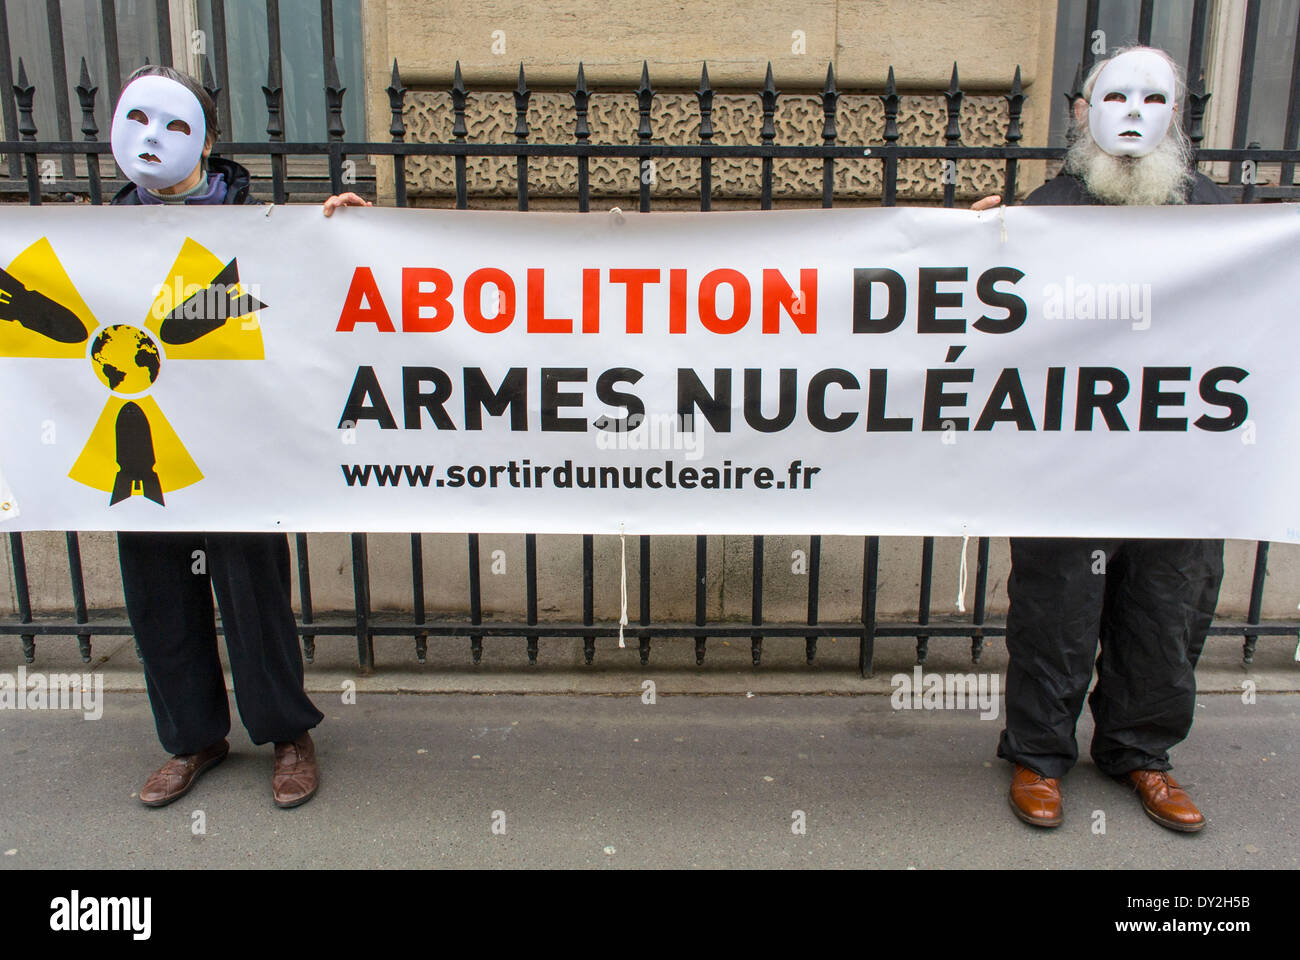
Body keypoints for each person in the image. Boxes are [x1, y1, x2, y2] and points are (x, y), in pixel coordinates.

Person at [982, 47, 1226, 832]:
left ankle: (1141, 753)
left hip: (1181, 459)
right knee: (1055, 608)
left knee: (1167, 607)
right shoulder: (1045, 209)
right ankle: (1038, 755)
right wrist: (974, 242)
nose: (1131, 112)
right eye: (1113, 95)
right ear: (1083, 111)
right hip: (1072, 457)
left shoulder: (1225, 218)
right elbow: (992, 314)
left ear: (1175, 115)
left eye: (1151, 97)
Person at [110, 64, 323, 809]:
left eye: (172, 124)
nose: (151, 139)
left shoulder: (251, 223)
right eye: (136, 119)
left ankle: (287, 734)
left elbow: (307, 286)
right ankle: (192, 738)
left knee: (253, 592)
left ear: (204, 140)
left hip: (238, 447)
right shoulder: (89, 236)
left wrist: (349, 232)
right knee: (159, 598)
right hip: (136, 445)